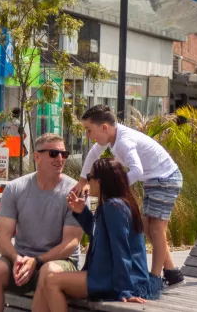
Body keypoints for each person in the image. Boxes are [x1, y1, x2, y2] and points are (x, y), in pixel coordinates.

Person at [74, 105, 185, 288]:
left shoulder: (125, 141)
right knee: (148, 228)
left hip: (166, 178)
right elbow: (94, 153)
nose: (88, 135)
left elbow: (136, 170)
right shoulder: (113, 138)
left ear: (104, 127)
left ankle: (155, 279)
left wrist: (115, 189)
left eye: (89, 130)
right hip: (154, 179)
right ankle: (172, 273)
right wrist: (81, 181)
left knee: (157, 229)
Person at [0, 134, 83, 312]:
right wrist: (16, 259)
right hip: (22, 261)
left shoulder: (75, 192)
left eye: (63, 154)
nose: (60, 159)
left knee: (47, 271)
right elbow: (2, 236)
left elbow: (71, 242)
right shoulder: (15, 188)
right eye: (53, 153)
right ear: (37, 157)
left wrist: (37, 261)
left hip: (60, 262)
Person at [45, 158, 162, 312]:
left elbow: (121, 251)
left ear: (99, 182)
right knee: (48, 281)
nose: (87, 182)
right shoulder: (110, 204)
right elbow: (99, 236)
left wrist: (124, 290)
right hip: (107, 274)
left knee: (52, 282)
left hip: (117, 279)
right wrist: (82, 212)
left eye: (89, 178)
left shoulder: (114, 207)